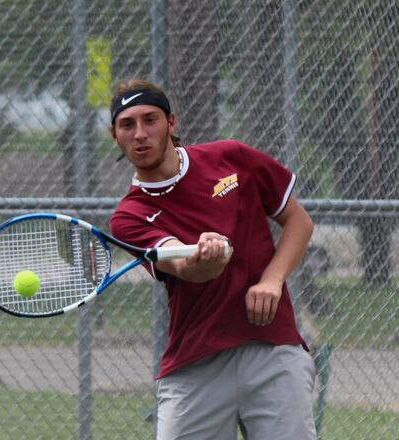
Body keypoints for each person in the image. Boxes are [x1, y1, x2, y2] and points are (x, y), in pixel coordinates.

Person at [108, 78, 317, 440]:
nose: (140, 133)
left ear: (171, 123)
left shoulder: (232, 157)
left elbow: (298, 221)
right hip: (196, 361)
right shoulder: (129, 216)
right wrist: (208, 257)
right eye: (127, 125)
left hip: (272, 349)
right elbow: (186, 268)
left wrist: (272, 280)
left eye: (150, 120)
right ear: (115, 136)